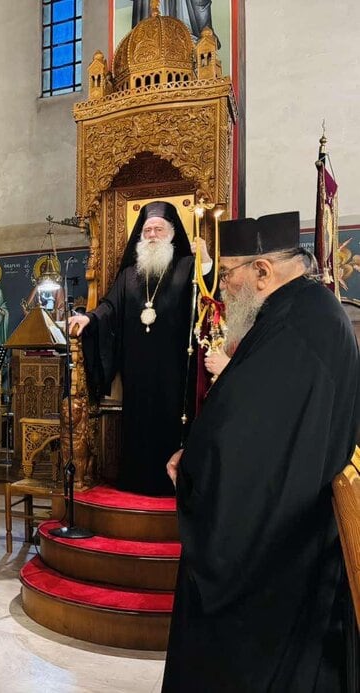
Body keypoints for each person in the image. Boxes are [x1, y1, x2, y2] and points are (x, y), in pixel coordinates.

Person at [162, 211, 360, 691]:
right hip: (293, 533)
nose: (224, 288)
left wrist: (194, 466)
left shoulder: (296, 325)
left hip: (279, 553)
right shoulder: (303, 311)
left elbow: (248, 440)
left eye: (228, 275)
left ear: (263, 272)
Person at [70, 200, 211, 496]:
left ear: (172, 234)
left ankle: (172, 481)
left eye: (159, 229)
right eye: (148, 230)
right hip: (137, 365)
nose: (153, 235)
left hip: (175, 366)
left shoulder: (187, 267)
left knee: (172, 419)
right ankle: (137, 479)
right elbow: (109, 307)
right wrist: (88, 317)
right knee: (138, 422)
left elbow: (210, 296)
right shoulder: (129, 275)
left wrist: (207, 260)